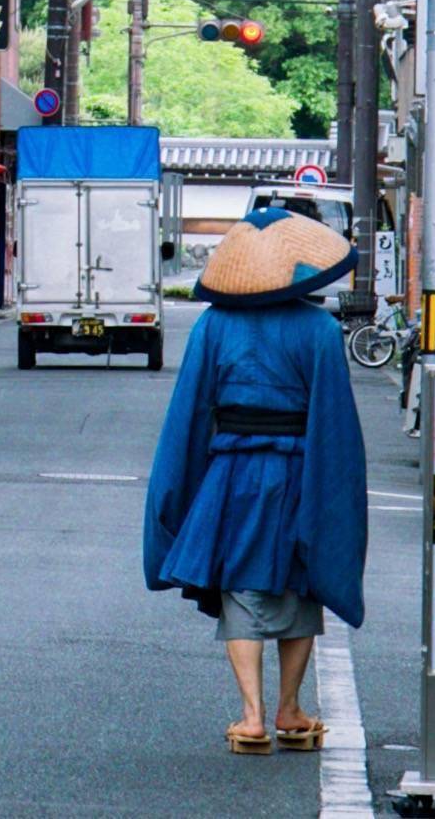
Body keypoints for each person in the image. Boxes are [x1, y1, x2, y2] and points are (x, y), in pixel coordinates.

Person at [143, 207, 368, 756]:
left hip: (234, 474)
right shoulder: (319, 329)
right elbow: (334, 420)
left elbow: (190, 413)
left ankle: (251, 716)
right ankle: (292, 709)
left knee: (239, 586)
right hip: (298, 471)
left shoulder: (214, 325)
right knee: (300, 582)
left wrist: (178, 491)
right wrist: (335, 497)